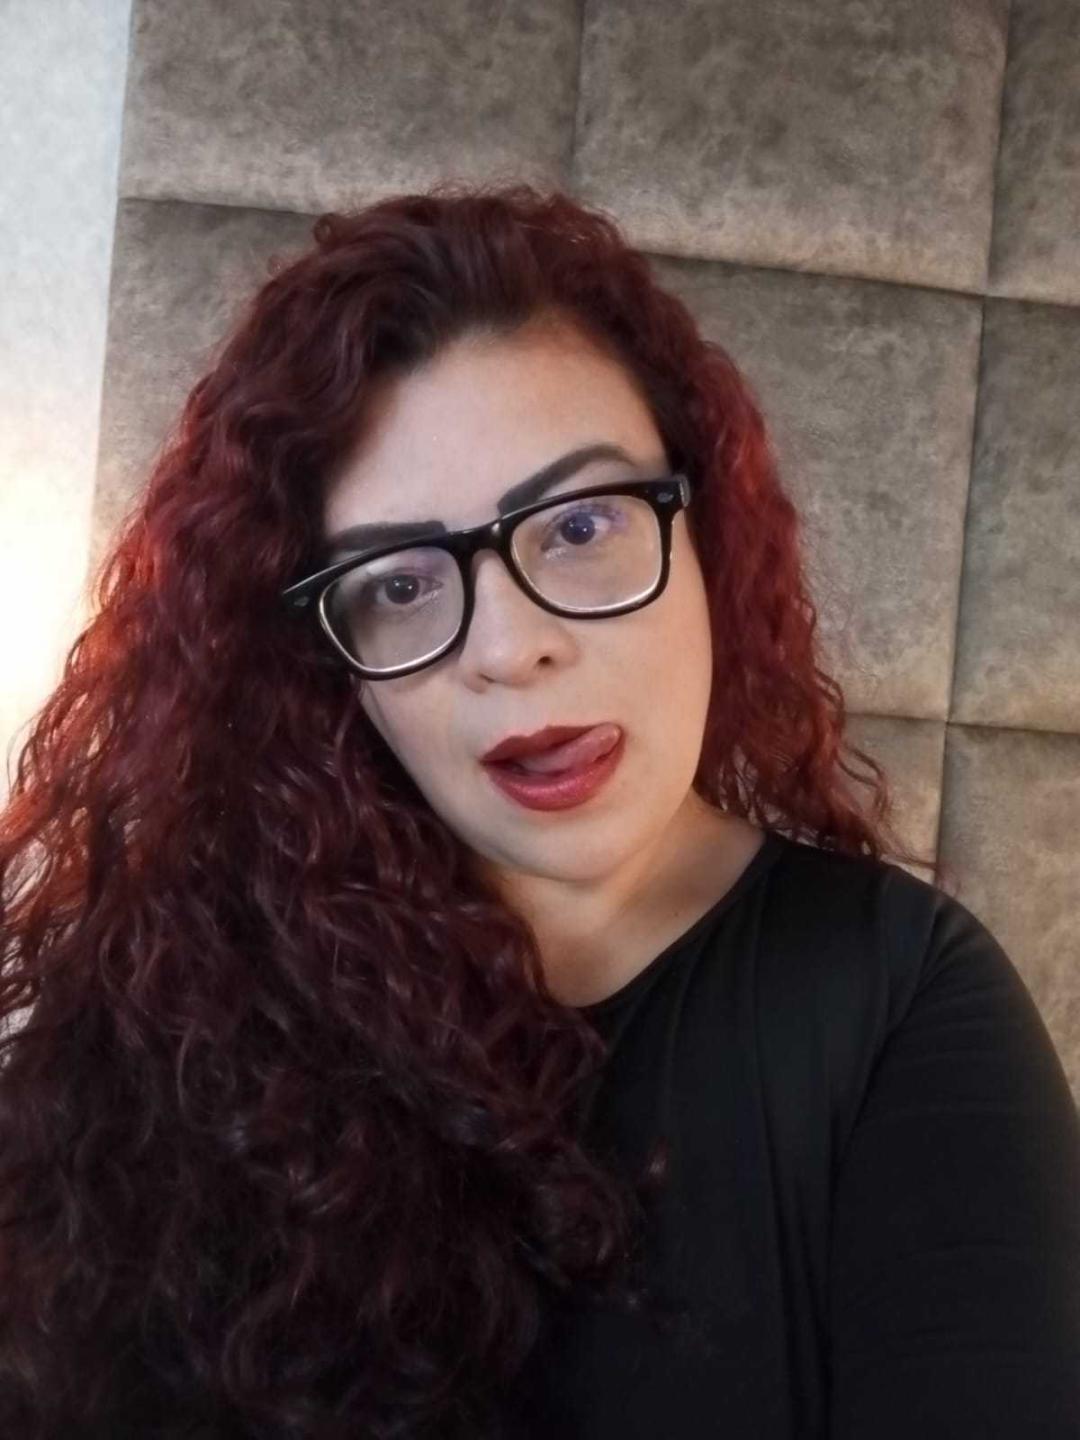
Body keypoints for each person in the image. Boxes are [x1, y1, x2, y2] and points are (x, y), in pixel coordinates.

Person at [0, 182, 1076, 1440]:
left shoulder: (899, 1005)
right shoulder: (178, 1010)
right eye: (399, 583)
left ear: (708, 537)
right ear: (327, 665)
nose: (510, 649)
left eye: (580, 525)